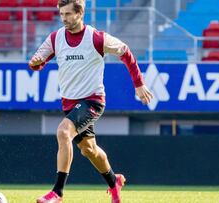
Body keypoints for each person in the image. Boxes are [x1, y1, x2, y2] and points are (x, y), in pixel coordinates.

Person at [28, 0, 153, 202]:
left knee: (63, 132)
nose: (64, 19)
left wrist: (139, 84)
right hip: (70, 104)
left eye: (69, 14)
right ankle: (114, 182)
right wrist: (35, 64)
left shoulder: (96, 38)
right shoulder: (55, 38)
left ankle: (57, 193)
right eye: (61, 14)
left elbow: (125, 52)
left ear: (80, 13)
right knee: (89, 150)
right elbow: (38, 61)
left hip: (92, 101)